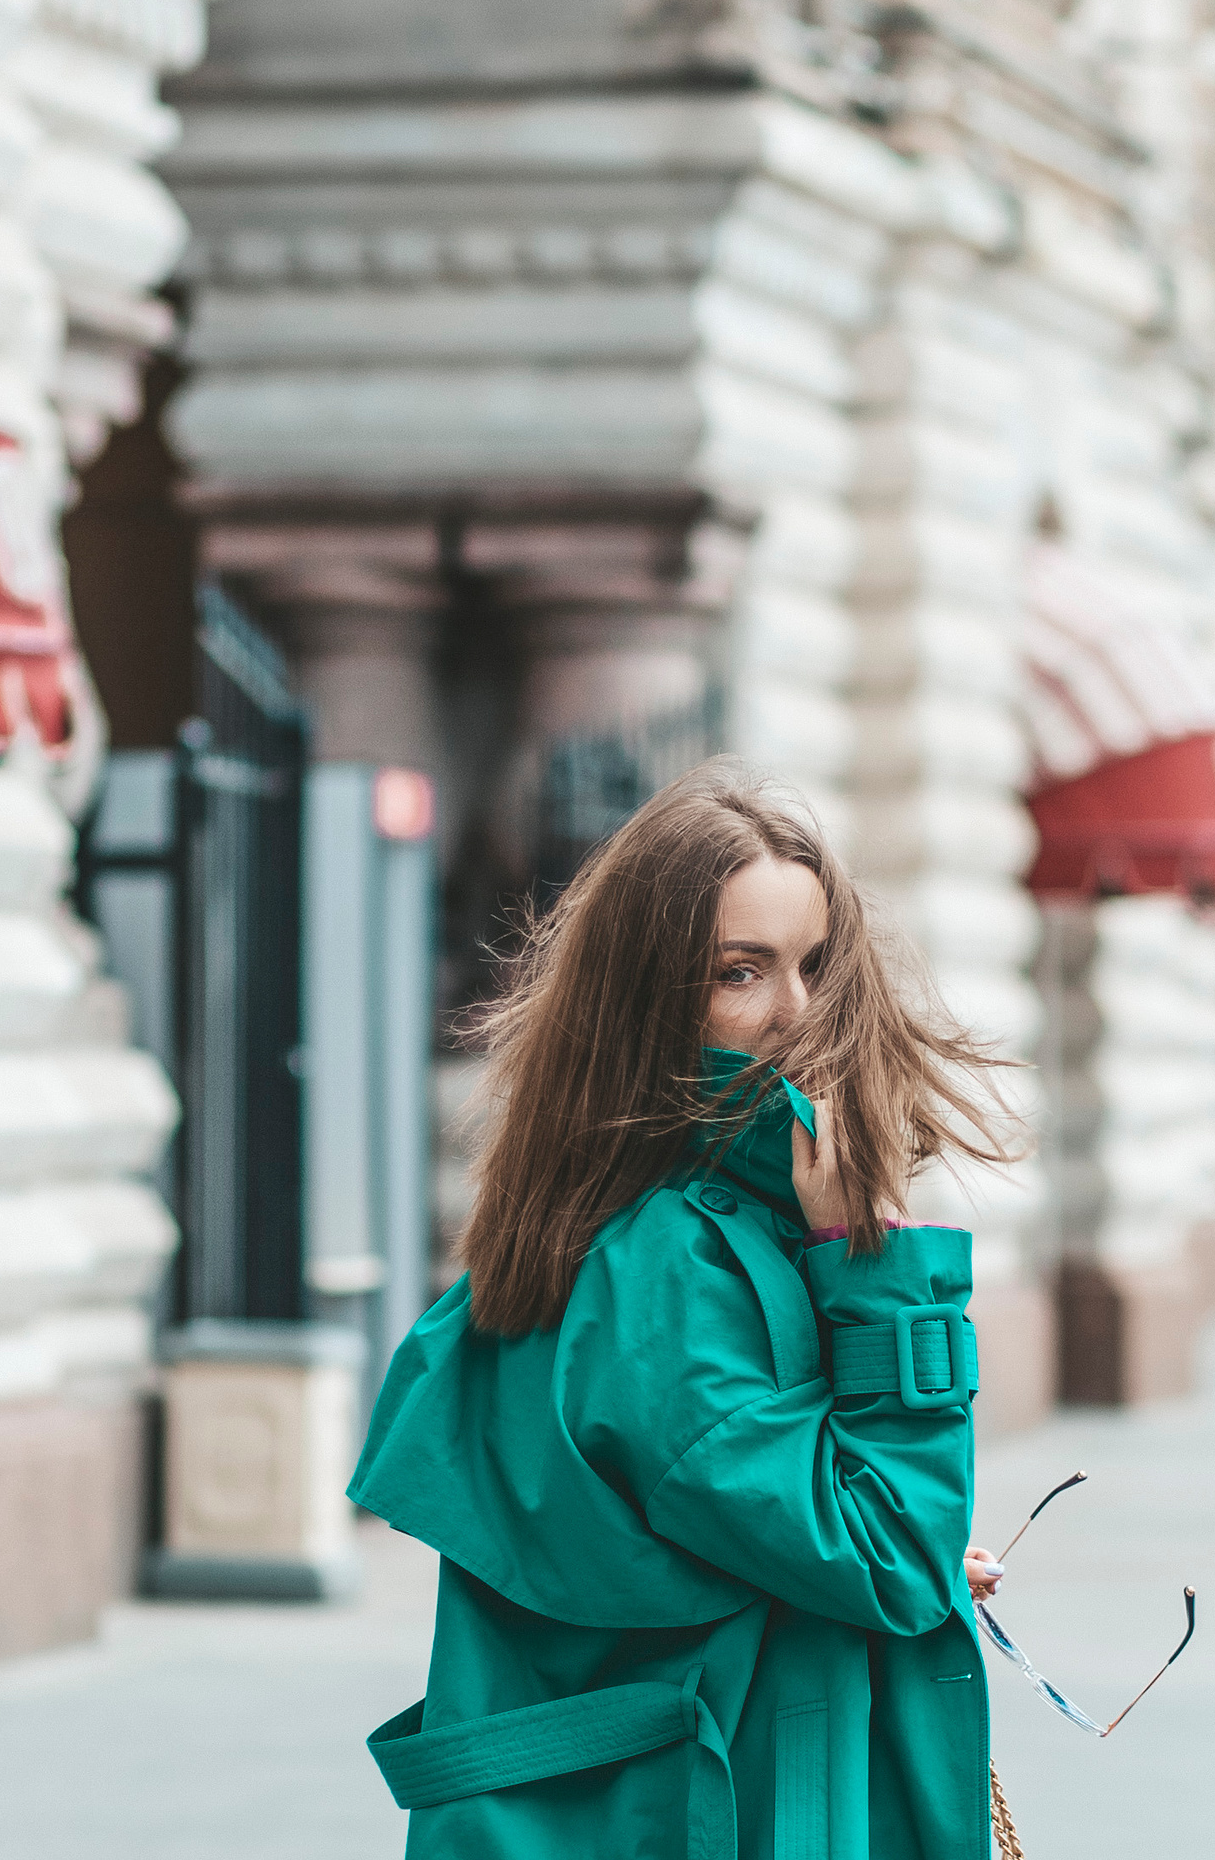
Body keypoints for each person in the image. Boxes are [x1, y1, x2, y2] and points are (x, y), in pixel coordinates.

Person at [350, 762, 1017, 1857]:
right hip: (732, 1812)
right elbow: (886, 1552)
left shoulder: (680, 1226)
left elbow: (765, 1527)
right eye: (738, 973)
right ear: (645, 1000)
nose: (797, 1014)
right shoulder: (669, 1271)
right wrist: (878, 1260)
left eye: (813, 965)